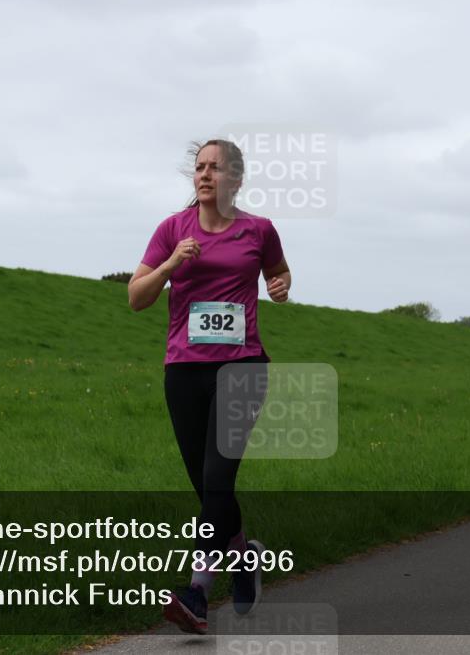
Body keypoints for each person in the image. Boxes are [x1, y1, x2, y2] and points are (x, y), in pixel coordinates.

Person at [128, 139, 291, 634]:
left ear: (236, 180)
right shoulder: (171, 230)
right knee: (206, 487)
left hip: (242, 367)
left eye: (215, 168)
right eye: (199, 167)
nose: (203, 175)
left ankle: (197, 591)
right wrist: (171, 265)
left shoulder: (258, 230)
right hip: (184, 370)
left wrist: (281, 286)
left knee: (218, 480)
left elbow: (277, 273)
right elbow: (137, 297)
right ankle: (244, 557)